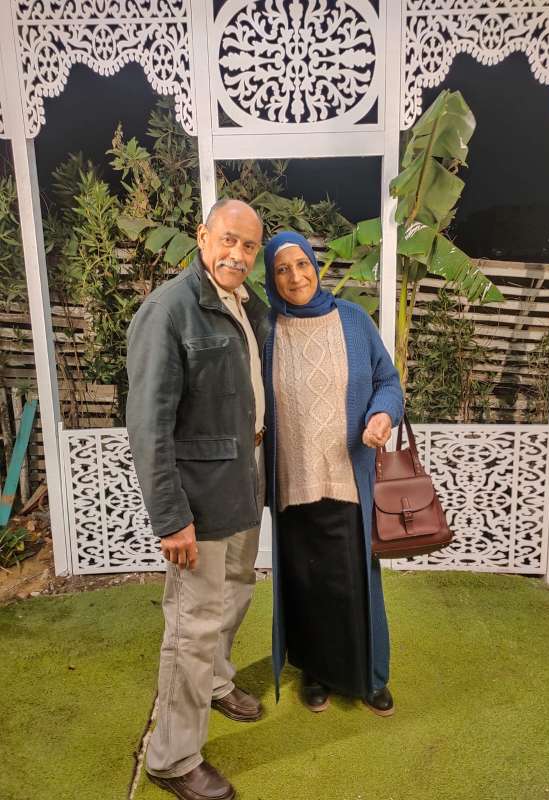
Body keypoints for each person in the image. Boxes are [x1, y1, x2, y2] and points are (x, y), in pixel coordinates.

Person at [126, 198, 270, 800]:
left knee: (236, 590)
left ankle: (216, 682)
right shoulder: (169, 310)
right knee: (192, 623)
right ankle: (173, 755)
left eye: (249, 246)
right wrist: (171, 518)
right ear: (203, 236)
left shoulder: (248, 306)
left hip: (245, 480)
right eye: (228, 240)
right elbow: (148, 425)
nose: (238, 254)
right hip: (199, 499)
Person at [262, 231, 404, 716]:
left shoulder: (354, 320)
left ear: (315, 266)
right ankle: (316, 672)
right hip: (292, 481)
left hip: (348, 477)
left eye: (302, 264)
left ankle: (370, 675)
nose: (295, 277)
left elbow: (388, 382)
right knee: (305, 584)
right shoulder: (266, 329)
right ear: (272, 278)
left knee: (354, 581)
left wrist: (381, 415)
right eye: (282, 269)